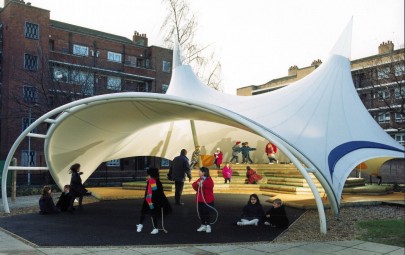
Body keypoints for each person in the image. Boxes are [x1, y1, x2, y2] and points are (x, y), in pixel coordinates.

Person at [137, 167, 172, 234]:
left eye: (149, 175)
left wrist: (158, 202)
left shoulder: (154, 182)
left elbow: (156, 193)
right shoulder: (152, 181)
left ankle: (155, 228)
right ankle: (140, 224)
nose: (147, 176)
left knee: (153, 214)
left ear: (151, 175)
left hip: (152, 201)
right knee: (144, 212)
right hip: (148, 199)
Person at [192, 167, 215, 233]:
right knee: (201, 212)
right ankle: (203, 225)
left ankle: (208, 225)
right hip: (200, 200)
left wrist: (202, 184)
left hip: (208, 200)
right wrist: (197, 184)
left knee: (207, 213)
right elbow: (194, 185)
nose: (198, 172)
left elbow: (210, 186)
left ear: (204, 172)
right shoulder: (200, 179)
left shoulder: (209, 179)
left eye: (200, 171)